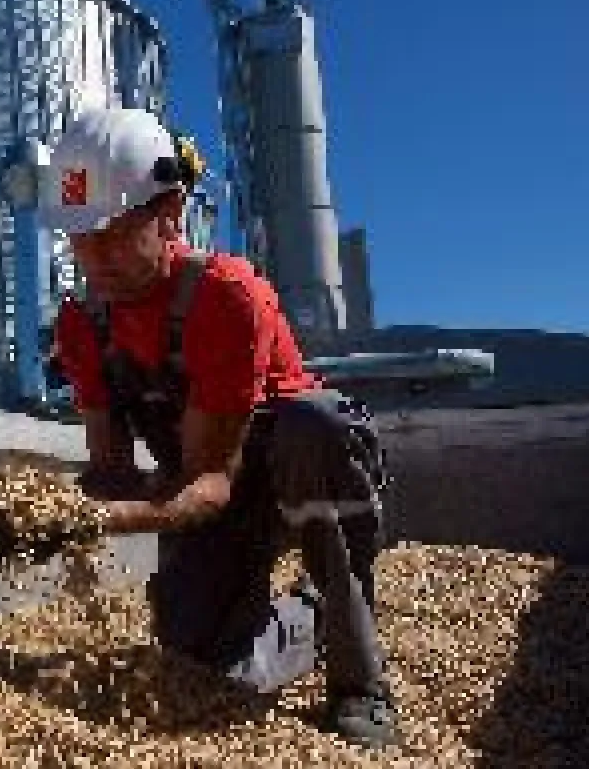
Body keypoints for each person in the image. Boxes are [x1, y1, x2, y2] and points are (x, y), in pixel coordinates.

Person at [40, 104, 400, 750]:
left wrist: (106, 521)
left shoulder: (225, 297)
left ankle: (358, 680)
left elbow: (212, 479)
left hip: (296, 478)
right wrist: (46, 514)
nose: (96, 256)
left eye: (114, 231)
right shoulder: (81, 326)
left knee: (314, 425)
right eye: (79, 238)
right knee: (205, 668)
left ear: (170, 211)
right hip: (206, 490)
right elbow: (112, 469)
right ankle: (307, 625)